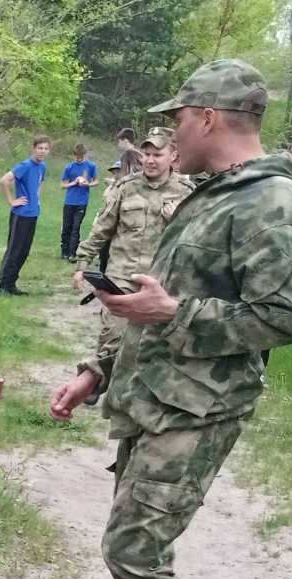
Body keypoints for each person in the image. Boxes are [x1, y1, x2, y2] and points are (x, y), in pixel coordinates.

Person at [49, 60, 292, 579]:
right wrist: (98, 372)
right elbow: (153, 299)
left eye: (178, 118)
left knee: (135, 548)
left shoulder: (273, 203)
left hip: (199, 409)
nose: (170, 131)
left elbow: (285, 318)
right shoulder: (211, 193)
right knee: (130, 536)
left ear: (207, 118)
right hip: (150, 397)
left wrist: (177, 313)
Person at [72, 128, 192, 397]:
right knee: (113, 340)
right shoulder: (125, 188)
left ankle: (139, 398)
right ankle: (100, 388)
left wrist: (178, 222)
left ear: (173, 156)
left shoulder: (187, 193)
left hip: (161, 285)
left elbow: (198, 241)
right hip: (121, 281)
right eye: (146, 154)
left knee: (153, 348)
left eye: (157, 154)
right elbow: (101, 229)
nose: (150, 160)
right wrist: (82, 264)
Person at [0, 135, 51, 295]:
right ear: (34, 148)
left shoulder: (42, 167)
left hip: (33, 213)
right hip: (21, 214)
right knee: (15, 249)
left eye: (46, 148)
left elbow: (39, 183)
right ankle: (3, 285)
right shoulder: (25, 165)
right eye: (40, 148)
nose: (43, 151)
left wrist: (37, 199)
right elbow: (4, 180)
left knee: (24, 250)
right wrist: (12, 201)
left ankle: (11, 284)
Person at [59, 143, 99, 261]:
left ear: (85, 155)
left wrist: (88, 184)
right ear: (74, 155)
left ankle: (73, 253)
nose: (79, 159)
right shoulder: (69, 167)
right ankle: (64, 252)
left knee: (76, 227)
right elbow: (62, 185)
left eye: (81, 157)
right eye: (77, 157)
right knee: (67, 227)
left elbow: (96, 181)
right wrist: (74, 182)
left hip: (82, 201)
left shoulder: (91, 166)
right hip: (69, 201)